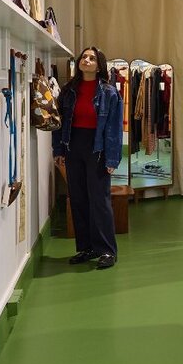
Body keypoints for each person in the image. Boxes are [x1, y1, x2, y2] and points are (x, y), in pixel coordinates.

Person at [52, 46, 123, 270]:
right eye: (84, 57)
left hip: (98, 148)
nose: (87, 60)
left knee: (99, 200)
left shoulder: (109, 92)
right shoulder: (69, 90)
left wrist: (112, 159)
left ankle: (107, 251)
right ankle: (86, 247)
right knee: (79, 198)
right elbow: (59, 122)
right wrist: (58, 150)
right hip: (73, 145)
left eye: (92, 58)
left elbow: (113, 128)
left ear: (99, 65)